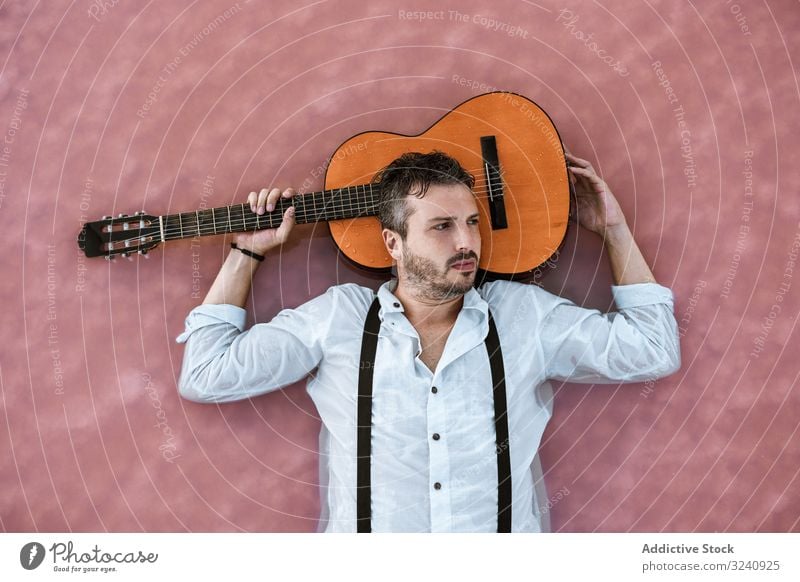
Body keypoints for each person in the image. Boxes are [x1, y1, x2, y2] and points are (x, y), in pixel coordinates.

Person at [175, 150, 681, 533]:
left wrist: (613, 229)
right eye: (442, 226)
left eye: (472, 224)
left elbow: (654, 348)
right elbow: (205, 375)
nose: (466, 243)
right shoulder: (339, 319)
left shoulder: (524, 316)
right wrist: (246, 254)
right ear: (393, 242)